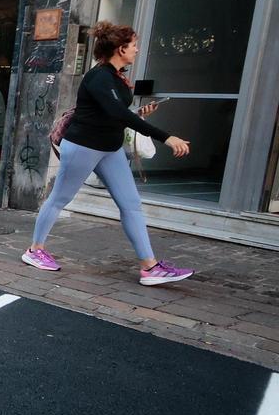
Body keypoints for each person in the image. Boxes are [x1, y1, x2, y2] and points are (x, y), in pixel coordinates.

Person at [23, 22, 194, 286]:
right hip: (83, 146)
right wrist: (166, 137)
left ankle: (150, 267)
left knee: (131, 204)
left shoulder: (117, 76)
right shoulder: (99, 76)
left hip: (109, 148)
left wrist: (137, 114)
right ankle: (34, 250)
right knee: (59, 198)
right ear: (120, 48)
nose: (137, 50)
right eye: (134, 45)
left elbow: (114, 112)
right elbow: (115, 112)